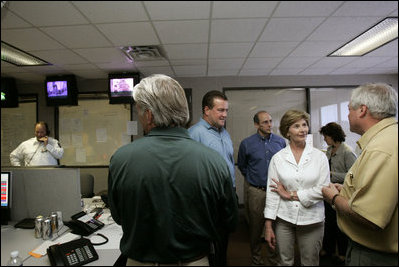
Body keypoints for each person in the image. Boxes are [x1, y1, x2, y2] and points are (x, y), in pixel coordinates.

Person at [108, 74, 238, 266]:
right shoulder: (214, 161)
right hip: (195, 260)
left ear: (149, 115)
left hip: (140, 261)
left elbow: (119, 217)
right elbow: (230, 221)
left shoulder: (121, 159)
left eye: (139, 111)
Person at [322, 83, 398, 266]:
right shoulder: (388, 138)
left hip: (376, 255)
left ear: (362, 110)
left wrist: (334, 198)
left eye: (349, 109)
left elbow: (368, 216)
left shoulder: (381, 149)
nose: (347, 116)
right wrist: (348, 191)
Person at [264, 110, 330, 266]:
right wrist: (268, 226)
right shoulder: (278, 158)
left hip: (312, 219)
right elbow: (272, 193)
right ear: (287, 131)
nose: (303, 129)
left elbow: (323, 189)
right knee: (284, 262)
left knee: (310, 262)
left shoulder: (319, 157)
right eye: (296, 126)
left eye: (304, 125)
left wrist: (290, 194)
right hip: (284, 218)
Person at [237, 110, 286, 265]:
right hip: (256, 192)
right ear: (256, 124)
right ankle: (256, 260)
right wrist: (254, 179)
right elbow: (243, 166)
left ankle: (273, 260)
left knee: (276, 228)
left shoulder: (280, 142)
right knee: (255, 229)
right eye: (265, 122)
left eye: (270, 121)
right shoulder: (246, 144)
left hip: (276, 192)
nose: (269, 124)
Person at [319, 122, 357, 264]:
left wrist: (332, 174)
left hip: (341, 193)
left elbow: (353, 175)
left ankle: (342, 252)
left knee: (340, 225)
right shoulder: (329, 150)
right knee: (328, 223)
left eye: (326, 136)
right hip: (329, 193)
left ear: (333, 135)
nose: (324, 139)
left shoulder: (347, 152)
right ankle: (328, 249)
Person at [188, 90, 235, 189]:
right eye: (221, 110)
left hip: (229, 191)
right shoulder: (194, 133)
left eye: (226, 110)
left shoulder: (225, 133)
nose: (225, 115)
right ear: (207, 110)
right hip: (209, 195)